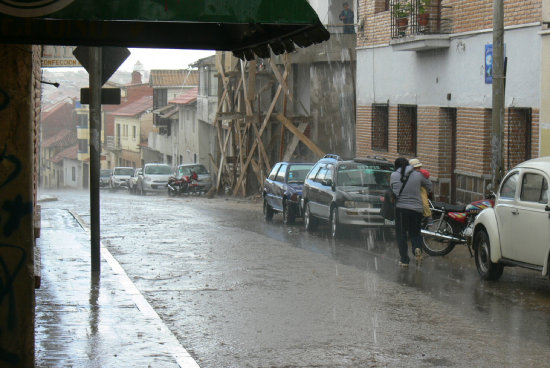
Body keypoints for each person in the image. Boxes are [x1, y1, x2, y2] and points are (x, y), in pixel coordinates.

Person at [391, 157, 432, 267]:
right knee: (415, 232)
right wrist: (421, 190)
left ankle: (404, 260)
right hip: (416, 210)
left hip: (401, 209)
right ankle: (417, 249)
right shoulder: (418, 175)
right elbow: (429, 186)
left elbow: (393, 191)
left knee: (401, 234)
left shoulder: (394, 175)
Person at [409, 158, 432, 223]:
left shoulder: (420, 175)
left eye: (419, 168)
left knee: (425, 204)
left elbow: (428, 184)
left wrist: (428, 191)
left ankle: (429, 217)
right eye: (416, 168)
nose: (418, 170)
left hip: (421, 189)